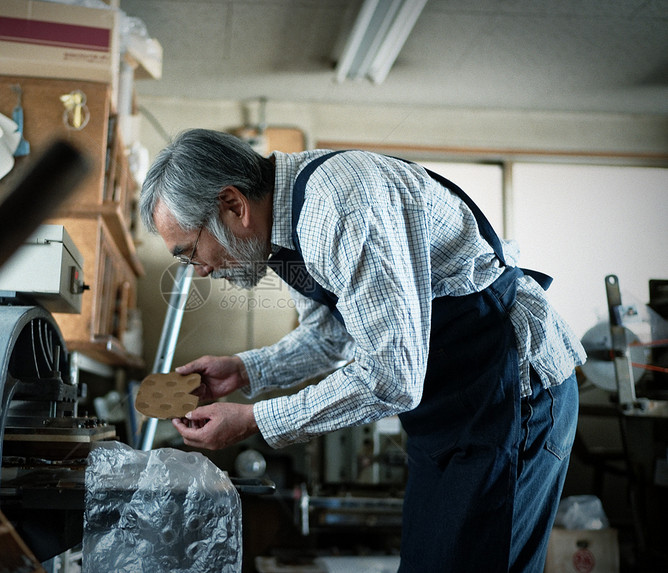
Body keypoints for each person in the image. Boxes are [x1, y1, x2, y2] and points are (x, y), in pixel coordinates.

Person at [139, 128, 585, 572]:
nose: (198, 271)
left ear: (233, 205)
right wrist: (243, 371)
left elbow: (391, 376)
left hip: (511, 389)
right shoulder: (283, 234)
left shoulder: (338, 209)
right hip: (449, 407)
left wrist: (257, 419)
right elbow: (330, 337)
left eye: (190, 252)